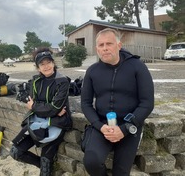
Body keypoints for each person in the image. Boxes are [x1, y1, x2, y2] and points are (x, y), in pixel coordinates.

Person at [81, 28, 154, 176]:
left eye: (109, 43)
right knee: (91, 162)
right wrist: (100, 126)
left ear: (119, 46)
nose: (105, 48)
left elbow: (147, 103)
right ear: (97, 49)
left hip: (130, 125)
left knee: (121, 172)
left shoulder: (137, 66)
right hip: (102, 125)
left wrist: (125, 129)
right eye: (101, 45)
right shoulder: (92, 71)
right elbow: (86, 104)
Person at [10, 47, 72, 176]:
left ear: (53, 63)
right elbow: (51, 108)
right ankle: (47, 166)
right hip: (37, 121)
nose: (46, 66)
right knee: (15, 152)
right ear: (38, 67)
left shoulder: (63, 81)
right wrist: (47, 108)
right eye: (42, 64)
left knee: (45, 163)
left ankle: (46, 166)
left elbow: (53, 108)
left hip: (56, 123)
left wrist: (36, 107)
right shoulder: (36, 82)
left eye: (48, 62)